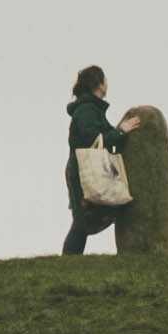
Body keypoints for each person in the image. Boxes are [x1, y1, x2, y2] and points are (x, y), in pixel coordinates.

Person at [62, 64, 128, 255]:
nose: (107, 84)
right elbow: (92, 139)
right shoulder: (87, 110)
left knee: (85, 220)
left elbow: (106, 135)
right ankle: (67, 264)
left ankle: (69, 264)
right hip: (82, 169)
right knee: (81, 222)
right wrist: (121, 131)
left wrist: (119, 132)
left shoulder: (92, 109)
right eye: (105, 80)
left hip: (84, 168)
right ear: (98, 84)